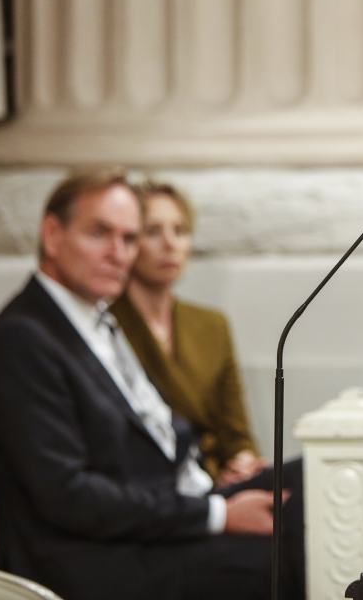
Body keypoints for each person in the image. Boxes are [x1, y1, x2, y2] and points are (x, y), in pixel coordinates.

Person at [0, 171, 303, 600]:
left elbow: (156, 436)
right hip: (98, 560)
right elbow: (68, 496)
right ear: (53, 234)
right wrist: (216, 513)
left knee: (318, 478)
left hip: (158, 519)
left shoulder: (92, 318)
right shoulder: (21, 339)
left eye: (128, 239)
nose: (118, 254)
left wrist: (215, 487)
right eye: (100, 234)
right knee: (286, 553)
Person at [110, 181, 264, 486]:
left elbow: (235, 431)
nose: (170, 244)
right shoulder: (108, 323)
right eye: (153, 231)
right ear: (129, 241)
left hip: (218, 480)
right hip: (152, 487)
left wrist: (243, 462)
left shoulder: (211, 325)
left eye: (180, 231)